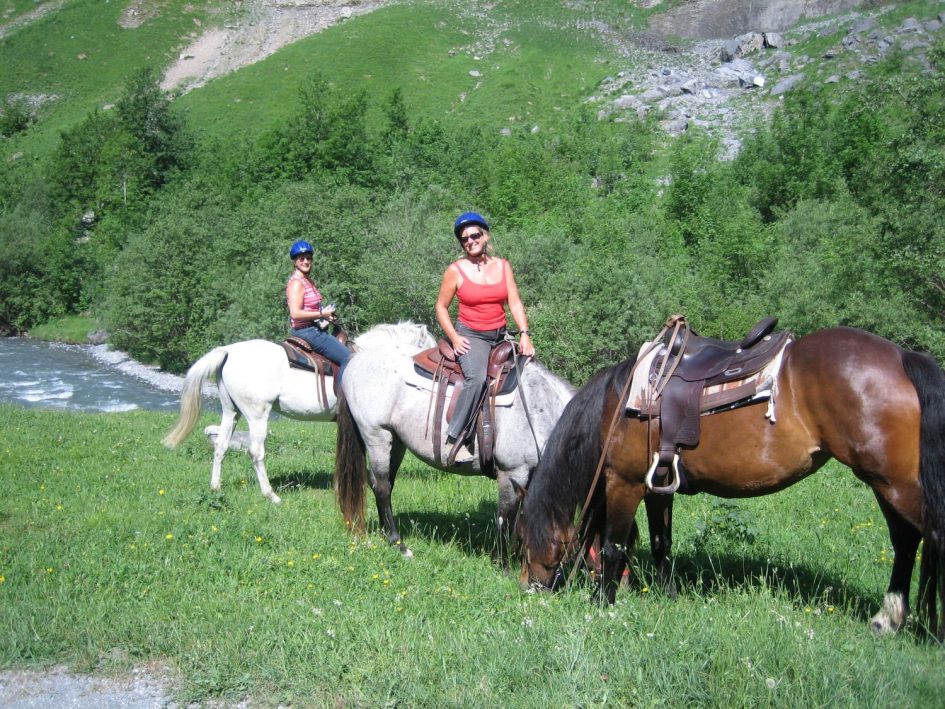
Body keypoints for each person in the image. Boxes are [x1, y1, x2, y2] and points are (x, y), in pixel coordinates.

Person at [435, 212, 535, 463]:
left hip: (501, 334)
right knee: (477, 379)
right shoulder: (455, 271)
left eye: (474, 235)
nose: (470, 241)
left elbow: (514, 302)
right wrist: (455, 338)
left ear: (485, 235)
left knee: (531, 370)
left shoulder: (503, 266)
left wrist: (524, 334)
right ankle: (455, 438)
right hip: (472, 335)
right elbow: (440, 308)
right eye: (464, 239)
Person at [286, 239, 351, 383]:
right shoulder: (296, 283)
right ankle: (343, 399)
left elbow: (311, 307)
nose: (305, 261)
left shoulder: (308, 281)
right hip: (306, 331)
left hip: (313, 328)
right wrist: (322, 314)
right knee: (349, 359)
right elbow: (295, 313)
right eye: (301, 258)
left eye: (308, 258)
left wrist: (326, 315)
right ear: (295, 262)